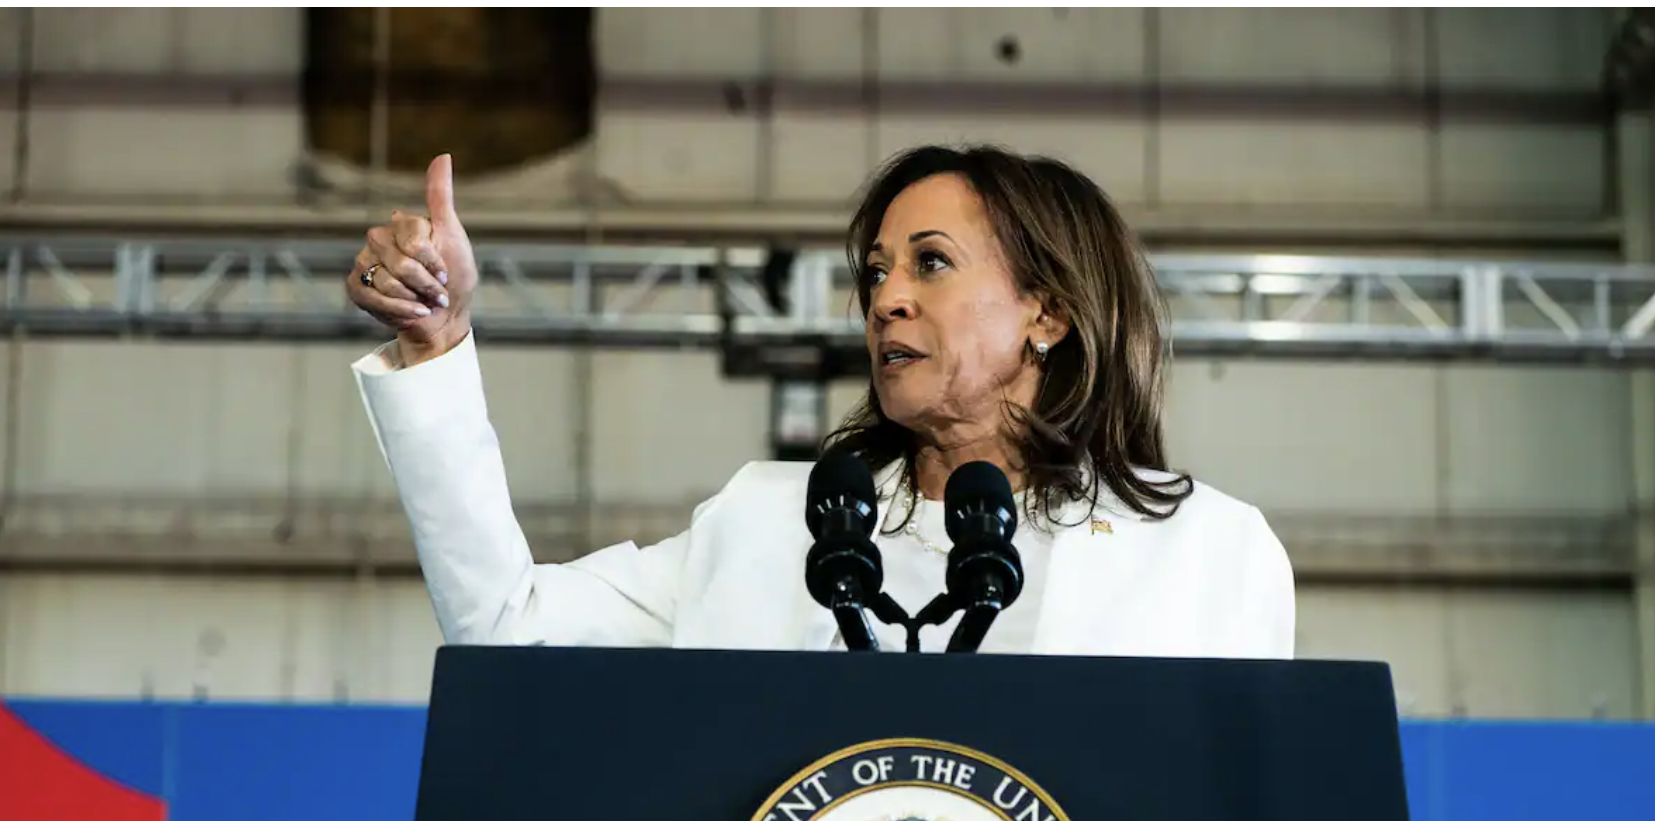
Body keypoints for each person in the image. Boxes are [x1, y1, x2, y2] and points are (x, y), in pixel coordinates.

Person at [346, 145, 1294, 658]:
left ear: (1047, 312)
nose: (886, 296)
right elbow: (508, 626)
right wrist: (438, 342)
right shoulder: (763, 525)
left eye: (931, 263)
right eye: (878, 270)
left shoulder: (1206, 553)